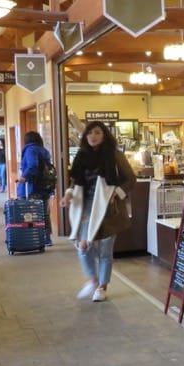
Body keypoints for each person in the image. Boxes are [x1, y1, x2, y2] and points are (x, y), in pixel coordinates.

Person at [60, 121, 137, 302]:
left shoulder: (114, 155)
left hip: (109, 210)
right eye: (90, 133)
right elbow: (76, 182)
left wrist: (116, 194)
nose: (93, 136)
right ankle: (93, 281)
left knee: (104, 250)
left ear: (104, 136)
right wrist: (68, 194)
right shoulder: (81, 155)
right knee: (83, 246)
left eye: (97, 133)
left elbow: (130, 179)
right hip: (86, 207)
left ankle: (102, 287)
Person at [16, 131, 54, 246]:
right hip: (45, 185)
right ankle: (47, 238)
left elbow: (33, 165)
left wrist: (24, 176)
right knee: (44, 213)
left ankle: (32, 237)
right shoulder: (44, 151)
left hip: (32, 186)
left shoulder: (30, 150)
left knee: (29, 212)